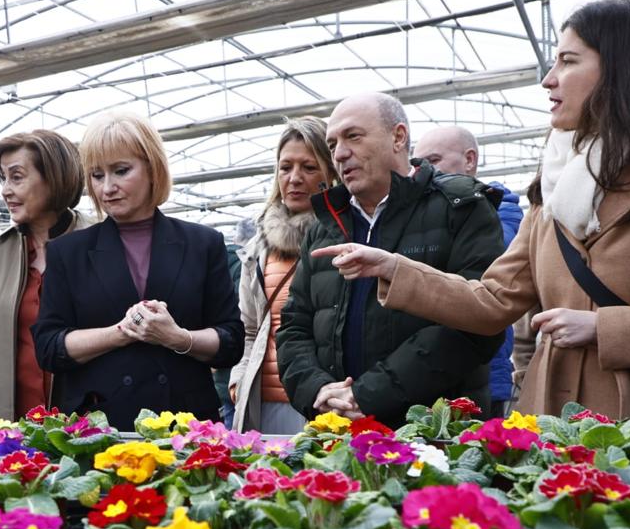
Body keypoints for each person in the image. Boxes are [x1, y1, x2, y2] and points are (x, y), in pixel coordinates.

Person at [314, 0, 630, 419]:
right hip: (557, 421)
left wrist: (605, 327)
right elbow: (494, 301)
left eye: (568, 62)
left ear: (622, 67)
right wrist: (394, 267)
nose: (548, 79)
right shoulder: (555, 186)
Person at [276, 93, 506, 428]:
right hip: (337, 425)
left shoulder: (461, 206)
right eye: (332, 143)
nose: (339, 153)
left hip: (436, 431)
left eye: (353, 136)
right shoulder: (324, 227)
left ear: (398, 137)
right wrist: (318, 390)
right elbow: (294, 325)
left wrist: (366, 396)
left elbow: (474, 325)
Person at [33, 111, 244, 430]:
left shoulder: (203, 244)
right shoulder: (68, 252)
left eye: (120, 171)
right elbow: (49, 348)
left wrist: (177, 337)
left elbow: (230, 341)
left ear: (152, 168)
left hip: (185, 425)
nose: (107, 188)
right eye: (97, 175)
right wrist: (120, 332)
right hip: (102, 427)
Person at [0, 130, 89, 420]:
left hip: (84, 424)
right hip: (11, 426)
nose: (6, 190)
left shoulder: (99, 245)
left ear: (54, 178)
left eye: (16, 177)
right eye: (3, 178)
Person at [230, 117, 337, 433]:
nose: (294, 178)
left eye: (309, 167)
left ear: (331, 173)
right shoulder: (259, 247)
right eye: (285, 167)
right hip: (261, 402)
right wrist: (239, 378)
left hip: (322, 401)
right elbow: (250, 328)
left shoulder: (343, 239)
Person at [415, 125, 525, 417]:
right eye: (418, 163)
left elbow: (490, 266)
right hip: (428, 369)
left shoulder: (503, 213)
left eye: (433, 160)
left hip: (486, 371)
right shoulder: (423, 219)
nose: (423, 170)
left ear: (470, 160)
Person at [214, 217, 253, 428]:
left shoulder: (214, 264)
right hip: (240, 370)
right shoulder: (244, 265)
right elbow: (247, 320)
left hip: (221, 370)